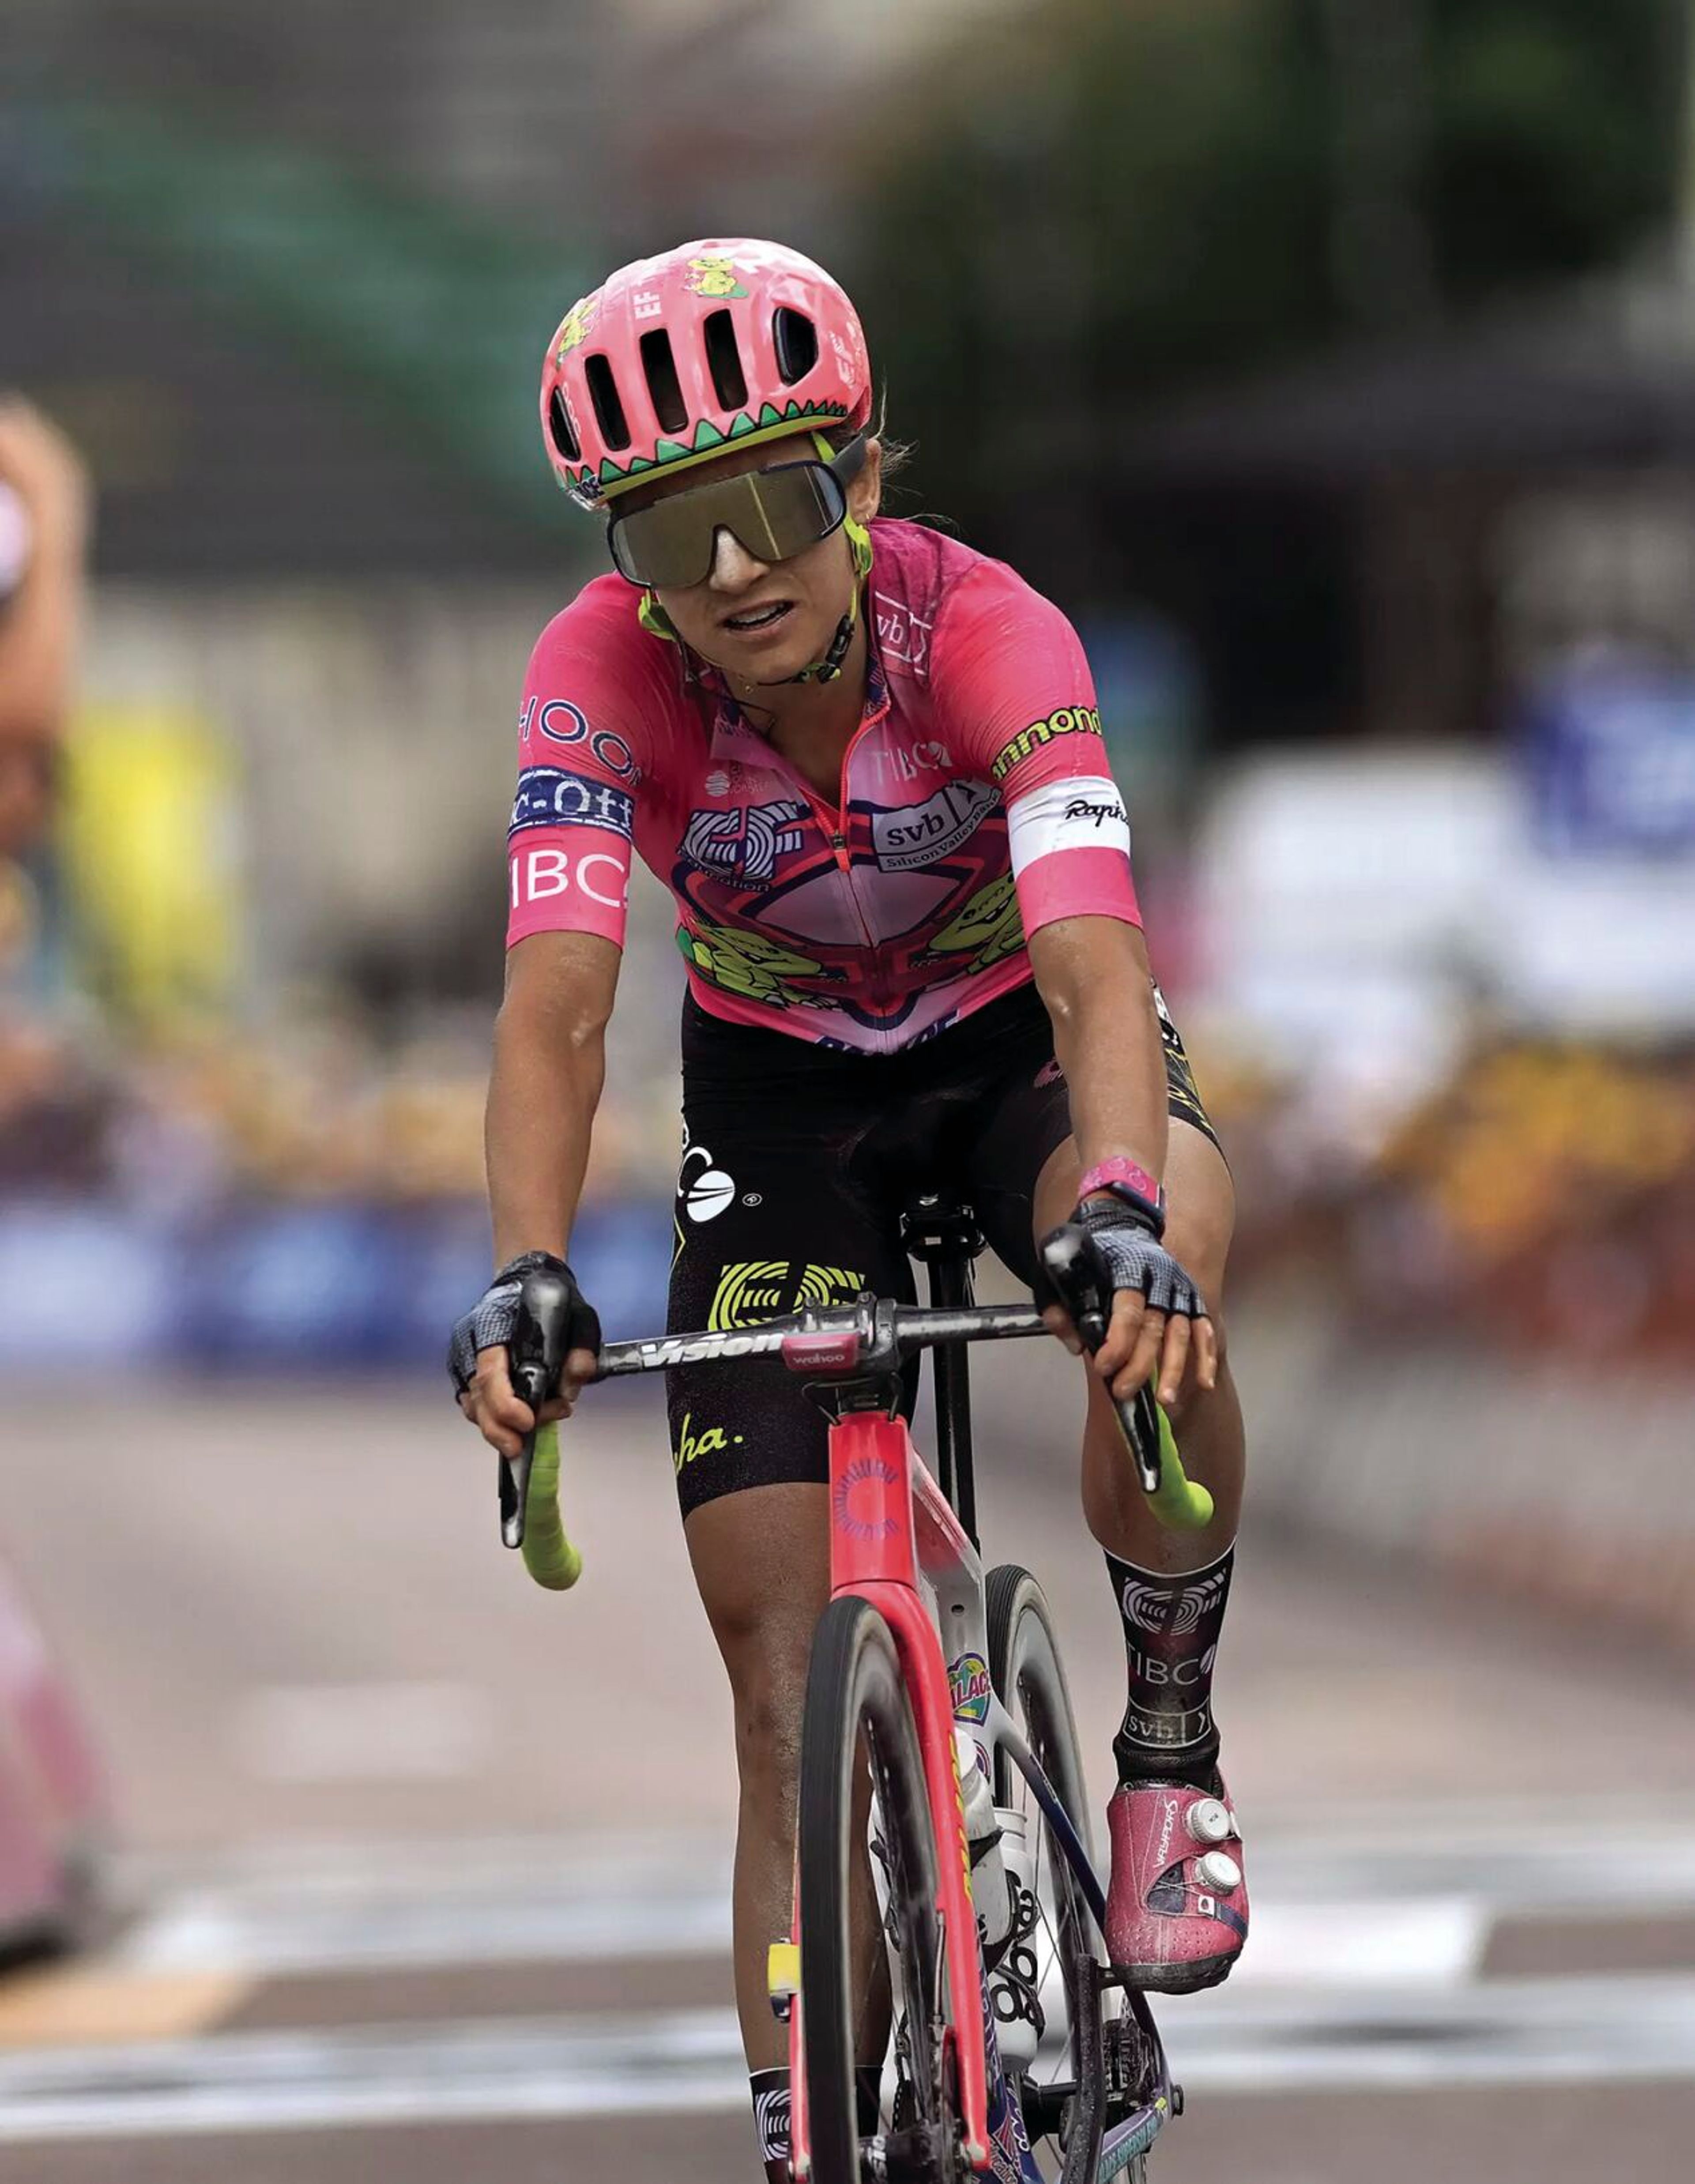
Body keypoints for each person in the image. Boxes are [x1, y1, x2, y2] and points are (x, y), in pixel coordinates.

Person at [451, 239, 1248, 2181]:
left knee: (1155, 1294)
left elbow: (1088, 961)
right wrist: (530, 1273)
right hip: (785, 1094)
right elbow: (558, 1002)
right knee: (776, 1672)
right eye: (670, 529)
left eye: (773, 502)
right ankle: (809, 2127)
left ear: (862, 485)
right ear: (621, 558)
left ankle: (1163, 1731)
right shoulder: (596, 678)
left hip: (1024, 1053)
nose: (729, 571)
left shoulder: (988, 632)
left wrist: (1126, 1206)